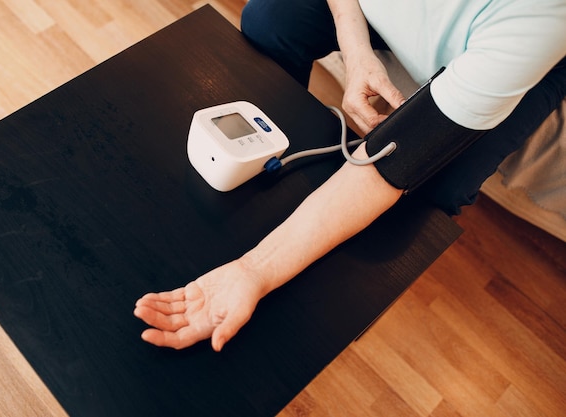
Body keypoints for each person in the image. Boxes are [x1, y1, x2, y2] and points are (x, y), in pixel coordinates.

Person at [134, 0, 566, 351]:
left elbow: (397, 161)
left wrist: (253, 270)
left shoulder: (541, 18)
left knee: (441, 184)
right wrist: (356, 53)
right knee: (270, 19)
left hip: (518, 55)